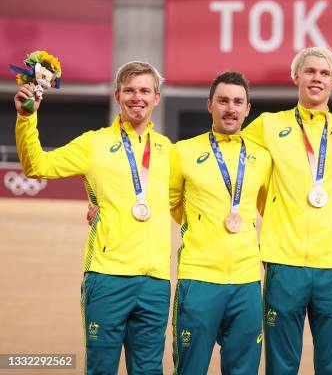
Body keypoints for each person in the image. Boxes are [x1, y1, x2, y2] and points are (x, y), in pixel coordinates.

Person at [15, 61, 172, 374]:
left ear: (157, 97)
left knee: (149, 370)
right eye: (129, 90)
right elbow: (37, 166)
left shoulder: (169, 150)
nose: (136, 97)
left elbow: (187, 200)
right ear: (117, 95)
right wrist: (26, 118)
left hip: (156, 281)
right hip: (107, 277)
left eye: (144, 90)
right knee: (101, 369)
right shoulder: (93, 144)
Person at [242, 46, 332, 374]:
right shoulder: (266, 125)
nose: (317, 78)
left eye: (325, 73)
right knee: (281, 364)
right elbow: (240, 172)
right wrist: (273, 204)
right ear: (296, 76)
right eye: (310, 71)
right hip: (284, 261)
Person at [169, 71, 271, 374]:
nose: (231, 108)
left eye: (238, 102)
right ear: (210, 104)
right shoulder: (183, 151)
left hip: (247, 281)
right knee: (190, 369)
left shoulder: (262, 157)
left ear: (248, 109)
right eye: (224, 101)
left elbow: (272, 206)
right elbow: (170, 202)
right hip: (199, 278)